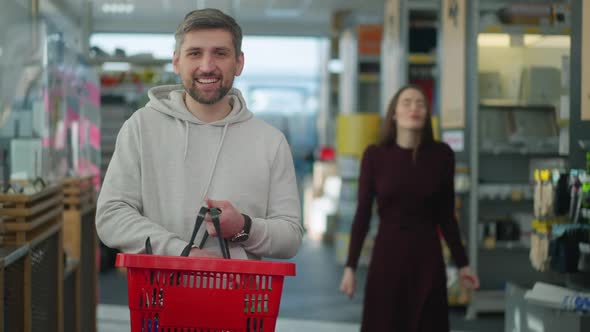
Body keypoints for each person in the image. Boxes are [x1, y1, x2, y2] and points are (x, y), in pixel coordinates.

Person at [96, 8, 303, 260]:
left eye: (220, 53)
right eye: (195, 53)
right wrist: (182, 252)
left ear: (239, 63)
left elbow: (290, 237)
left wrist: (242, 228)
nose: (207, 66)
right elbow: (111, 215)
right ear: (176, 62)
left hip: (239, 295)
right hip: (158, 294)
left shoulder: (270, 142)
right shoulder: (141, 127)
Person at [339, 85, 480, 331]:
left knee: (427, 322)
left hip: (427, 258)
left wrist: (463, 263)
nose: (413, 108)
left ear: (427, 114)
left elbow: (447, 216)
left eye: (420, 103)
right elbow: (362, 215)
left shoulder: (442, 155)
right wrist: (350, 267)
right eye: (406, 103)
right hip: (387, 258)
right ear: (393, 113)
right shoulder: (375, 156)